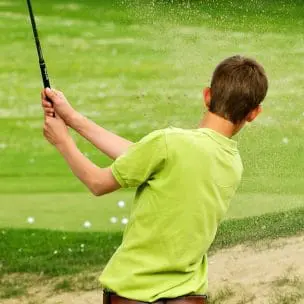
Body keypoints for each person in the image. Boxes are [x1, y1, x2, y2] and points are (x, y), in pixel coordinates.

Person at [41, 55, 268, 304]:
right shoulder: (231, 162)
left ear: (207, 95)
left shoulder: (169, 143)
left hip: (133, 293)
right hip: (189, 297)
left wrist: (62, 141)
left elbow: (98, 182)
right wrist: (73, 119)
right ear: (254, 113)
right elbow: (140, 156)